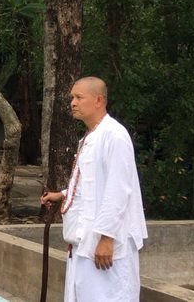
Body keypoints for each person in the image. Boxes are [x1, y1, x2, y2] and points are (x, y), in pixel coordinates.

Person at [40, 77, 148, 301]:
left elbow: (119, 189)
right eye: (72, 97)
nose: (72, 103)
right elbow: (88, 184)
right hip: (85, 240)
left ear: (98, 100)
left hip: (106, 243)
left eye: (79, 97)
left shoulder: (114, 135)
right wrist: (62, 195)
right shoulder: (90, 137)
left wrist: (107, 238)